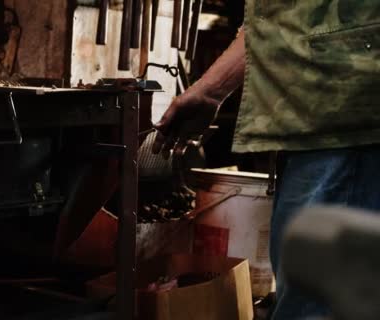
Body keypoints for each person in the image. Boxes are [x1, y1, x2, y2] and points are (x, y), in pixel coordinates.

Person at [152, 1, 380, 319]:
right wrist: (212, 90)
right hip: (320, 120)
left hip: (349, 122)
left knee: (316, 305)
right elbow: (277, 18)